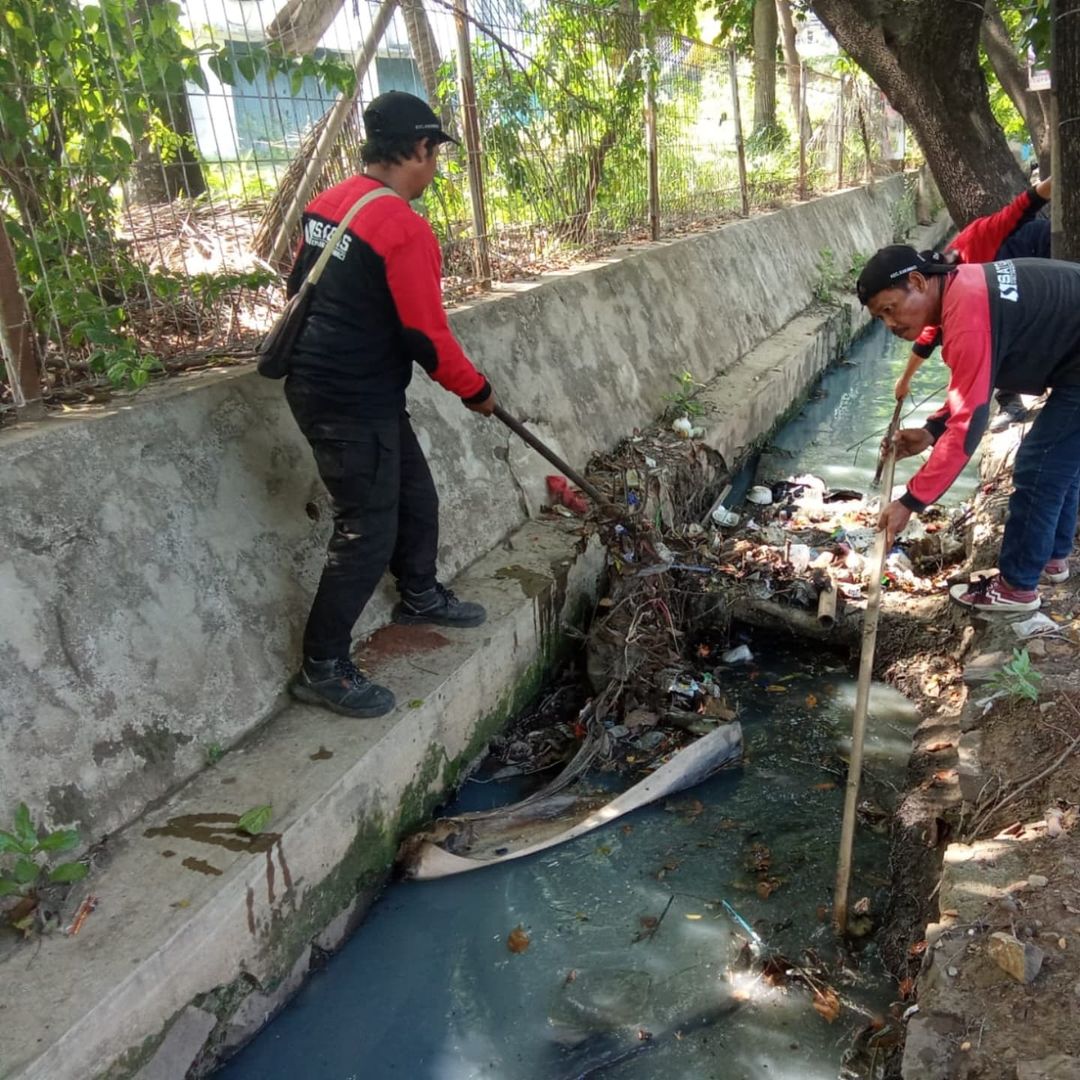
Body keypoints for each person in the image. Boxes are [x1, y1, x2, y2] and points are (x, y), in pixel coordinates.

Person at [281, 91, 497, 717]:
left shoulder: (330, 204)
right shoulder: (403, 228)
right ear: (421, 149)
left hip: (340, 386)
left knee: (414, 493)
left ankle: (421, 594)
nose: (435, 168)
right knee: (365, 531)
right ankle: (322, 666)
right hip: (347, 399)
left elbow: (302, 286)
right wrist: (476, 391)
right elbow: (426, 335)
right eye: (435, 154)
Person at [857, 245, 1080, 613]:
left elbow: (968, 424)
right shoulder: (962, 288)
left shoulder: (968, 315)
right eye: (881, 318)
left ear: (917, 281)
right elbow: (972, 386)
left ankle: (1017, 587)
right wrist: (931, 430)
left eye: (890, 310)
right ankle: (1050, 558)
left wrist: (911, 500)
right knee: (1058, 464)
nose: (890, 325)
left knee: (1039, 465)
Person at [892, 176, 1053, 431]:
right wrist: (904, 379)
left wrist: (1059, 178)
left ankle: (1014, 401)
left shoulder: (977, 240)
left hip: (1044, 256)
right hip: (1018, 290)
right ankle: (1013, 401)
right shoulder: (943, 296)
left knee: (1001, 336)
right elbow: (928, 338)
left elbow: (1025, 203)